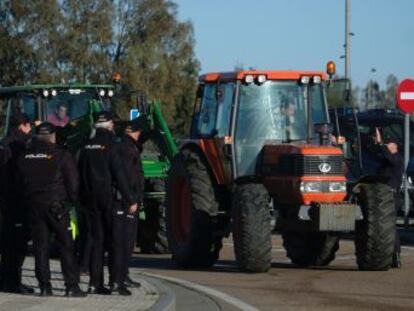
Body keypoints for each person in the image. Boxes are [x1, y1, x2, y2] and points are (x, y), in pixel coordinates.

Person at [15, 122, 86, 297]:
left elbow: (19, 182)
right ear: (53, 137)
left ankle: (45, 287)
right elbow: (73, 184)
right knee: (66, 245)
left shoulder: (24, 156)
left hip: (33, 206)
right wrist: (70, 203)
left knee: (40, 248)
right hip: (57, 207)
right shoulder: (61, 155)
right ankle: (71, 286)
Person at [78, 111, 137, 295]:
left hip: (90, 200)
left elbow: (78, 174)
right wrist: (131, 199)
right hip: (110, 200)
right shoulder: (112, 146)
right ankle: (116, 282)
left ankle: (95, 284)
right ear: (110, 126)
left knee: (96, 241)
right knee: (116, 242)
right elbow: (119, 174)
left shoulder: (86, 147)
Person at [0, 113, 33, 294]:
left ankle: (6, 279)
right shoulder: (20, 146)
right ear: (22, 126)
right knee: (17, 245)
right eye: (29, 126)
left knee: (6, 244)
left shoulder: (3, 142)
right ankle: (13, 281)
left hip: (4, 200)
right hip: (17, 200)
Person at [112, 118, 146, 292]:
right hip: (127, 202)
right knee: (125, 241)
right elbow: (129, 178)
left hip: (125, 200)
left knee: (124, 241)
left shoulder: (122, 146)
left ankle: (122, 275)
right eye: (138, 132)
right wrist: (133, 200)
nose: (139, 135)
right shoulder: (128, 149)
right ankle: (121, 277)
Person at [372, 128, 404, 268]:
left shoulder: (397, 159)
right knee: (385, 227)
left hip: (392, 195)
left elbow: (387, 156)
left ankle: (396, 256)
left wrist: (380, 144)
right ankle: (388, 255)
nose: (387, 145)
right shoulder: (387, 160)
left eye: (389, 144)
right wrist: (376, 144)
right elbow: (380, 155)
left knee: (391, 226)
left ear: (395, 146)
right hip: (384, 196)